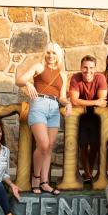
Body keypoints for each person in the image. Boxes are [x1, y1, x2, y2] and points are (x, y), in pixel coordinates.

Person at [15, 42, 71, 195]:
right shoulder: (39, 67)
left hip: (54, 108)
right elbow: (18, 80)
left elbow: (62, 97)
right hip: (38, 105)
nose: (51, 56)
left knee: (50, 146)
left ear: (58, 55)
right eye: (48, 53)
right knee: (43, 144)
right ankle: (36, 178)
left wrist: (68, 104)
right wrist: (28, 83)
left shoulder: (62, 75)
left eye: (54, 53)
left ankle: (45, 183)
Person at [69, 55, 108, 184]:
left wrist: (89, 102)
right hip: (81, 116)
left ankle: (89, 171)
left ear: (95, 69)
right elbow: (74, 100)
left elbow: (102, 101)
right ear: (81, 68)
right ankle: (87, 174)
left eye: (91, 68)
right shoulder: (75, 78)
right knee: (83, 145)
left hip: (96, 116)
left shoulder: (100, 78)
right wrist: (95, 101)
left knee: (95, 145)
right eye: (85, 67)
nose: (88, 71)